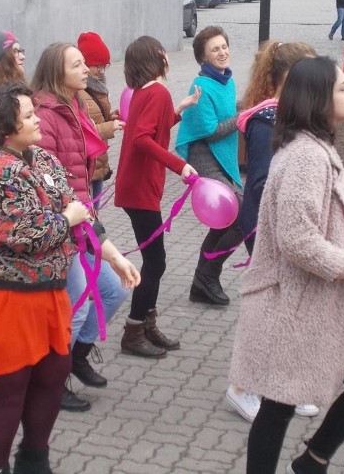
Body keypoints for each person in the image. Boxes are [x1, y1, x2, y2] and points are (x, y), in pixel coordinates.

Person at [0, 83, 139, 474]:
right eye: (29, 115)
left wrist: (114, 256)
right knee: (9, 391)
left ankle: (34, 459)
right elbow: (32, 234)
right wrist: (68, 219)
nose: (38, 120)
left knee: (52, 374)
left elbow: (77, 205)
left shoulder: (39, 159)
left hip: (44, 289)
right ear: (5, 127)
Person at [229, 57, 344, 474]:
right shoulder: (307, 156)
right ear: (317, 98)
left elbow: (311, 228)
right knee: (280, 405)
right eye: (342, 88)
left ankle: (312, 461)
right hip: (296, 305)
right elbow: (297, 239)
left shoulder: (316, 147)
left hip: (319, 302)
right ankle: (311, 462)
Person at [30, 42, 138, 412]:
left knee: (113, 291)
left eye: (83, 64)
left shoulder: (75, 104)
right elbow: (47, 180)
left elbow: (79, 174)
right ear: (57, 72)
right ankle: (50, 384)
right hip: (62, 226)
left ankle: (75, 356)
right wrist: (74, 222)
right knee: (75, 306)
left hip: (82, 216)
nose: (85, 70)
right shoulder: (44, 115)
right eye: (77, 65)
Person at [226, 39, 317, 423]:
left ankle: (282, 386)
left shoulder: (292, 116)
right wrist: (282, 233)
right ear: (292, 78)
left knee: (290, 309)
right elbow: (261, 185)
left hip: (286, 228)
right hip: (267, 228)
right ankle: (241, 388)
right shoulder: (267, 122)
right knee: (272, 310)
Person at [115, 36, 199, 358]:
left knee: (155, 260)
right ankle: (135, 330)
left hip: (135, 187)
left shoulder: (145, 92)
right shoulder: (155, 92)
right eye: (162, 50)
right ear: (155, 57)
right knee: (156, 261)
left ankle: (147, 324)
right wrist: (180, 165)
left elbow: (153, 128)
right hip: (140, 190)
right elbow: (141, 139)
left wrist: (179, 109)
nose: (167, 53)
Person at [176, 26, 243, 306]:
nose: (222, 52)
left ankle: (203, 281)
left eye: (224, 46)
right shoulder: (200, 86)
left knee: (228, 221)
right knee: (238, 216)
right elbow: (211, 130)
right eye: (215, 49)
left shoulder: (228, 81)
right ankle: (207, 277)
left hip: (223, 159)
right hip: (205, 160)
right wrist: (243, 116)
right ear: (203, 58)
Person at [75, 32, 125, 200]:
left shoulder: (98, 85)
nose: (101, 70)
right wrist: (108, 127)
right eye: (97, 66)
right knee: (91, 216)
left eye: (105, 65)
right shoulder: (78, 90)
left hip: (99, 159)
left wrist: (110, 117)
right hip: (87, 162)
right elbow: (80, 130)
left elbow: (94, 118)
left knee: (95, 213)